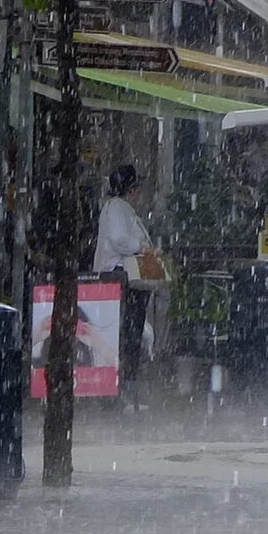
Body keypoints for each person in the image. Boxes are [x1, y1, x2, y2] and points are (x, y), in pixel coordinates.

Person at [92, 163, 158, 393]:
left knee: (129, 330)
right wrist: (144, 248)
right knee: (129, 331)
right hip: (123, 277)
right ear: (131, 188)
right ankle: (125, 383)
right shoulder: (117, 207)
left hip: (124, 278)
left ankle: (125, 383)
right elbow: (120, 239)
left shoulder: (116, 207)